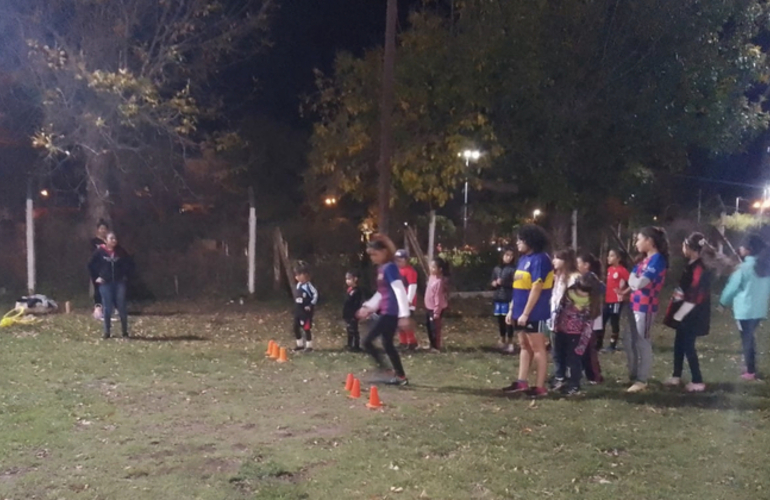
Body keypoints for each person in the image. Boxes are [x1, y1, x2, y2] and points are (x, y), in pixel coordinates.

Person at [503, 224, 554, 398]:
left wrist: (526, 313)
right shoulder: (523, 260)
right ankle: (522, 381)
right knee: (524, 345)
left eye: (521, 240)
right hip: (519, 311)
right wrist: (512, 310)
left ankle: (540, 387)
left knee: (538, 347)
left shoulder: (541, 259)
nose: (517, 243)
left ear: (530, 240)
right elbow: (518, 288)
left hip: (535, 312)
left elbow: (536, 287)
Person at [619, 227, 669, 393]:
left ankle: (642, 379)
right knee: (628, 339)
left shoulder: (657, 260)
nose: (636, 243)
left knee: (642, 341)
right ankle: (634, 374)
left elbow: (640, 283)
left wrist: (634, 282)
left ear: (649, 240)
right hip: (634, 304)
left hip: (645, 307)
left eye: (639, 239)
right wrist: (634, 282)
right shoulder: (643, 261)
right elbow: (632, 279)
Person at [357, 235, 411, 386]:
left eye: (375, 254)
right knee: (387, 344)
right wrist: (368, 307)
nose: (372, 258)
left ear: (384, 252)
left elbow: (399, 290)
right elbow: (382, 293)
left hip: (390, 312)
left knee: (367, 341)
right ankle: (400, 377)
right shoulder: (382, 269)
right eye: (370, 255)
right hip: (386, 311)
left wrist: (404, 315)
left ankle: (386, 371)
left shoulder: (390, 268)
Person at [662, 233, 714, 392]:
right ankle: (676, 375)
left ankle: (697, 380)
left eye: (685, 246)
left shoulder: (698, 268)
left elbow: (695, 295)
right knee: (679, 344)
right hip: (685, 312)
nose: (682, 248)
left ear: (691, 248)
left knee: (688, 346)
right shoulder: (691, 265)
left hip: (692, 314)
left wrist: (680, 314)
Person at [720, 233, 770, 381]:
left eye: (742, 247)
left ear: (749, 249)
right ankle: (749, 366)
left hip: (744, 311)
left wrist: (723, 302)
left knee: (747, 340)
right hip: (758, 310)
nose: (739, 249)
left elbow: (732, 287)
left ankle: (750, 370)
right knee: (750, 338)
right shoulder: (764, 267)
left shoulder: (744, 268)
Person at [552, 274, 602, 395]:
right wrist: (555, 326)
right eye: (579, 290)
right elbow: (559, 311)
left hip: (577, 335)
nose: (580, 294)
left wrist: (583, 343)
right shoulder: (568, 295)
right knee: (558, 355)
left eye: (584, 292)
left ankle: (574, 385)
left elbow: (589, 325)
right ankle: (560, 378)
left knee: (574, 360)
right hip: (560, 330)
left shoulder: (592, 304)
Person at [88, 232, 133, 339]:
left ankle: (125, 332)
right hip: (105, 284)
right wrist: (97, 277)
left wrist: (125, 275)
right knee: (107, 307)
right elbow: (91, 265)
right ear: (106, 240)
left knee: (121, 307)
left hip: (119, 283)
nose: (114, 240)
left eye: (115, 238)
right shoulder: (99, 252)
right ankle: (107, 332)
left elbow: (128, 263)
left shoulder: (120, 251)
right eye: (111, 238)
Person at [549, 248, 580, 386]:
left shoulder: (574, 278)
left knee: (571, 353)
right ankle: (559, 376)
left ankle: (573, 381)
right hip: (555, 319)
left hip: (570, 321)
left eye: (557, 258)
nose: (554, 261)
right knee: (557, 351)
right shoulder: (558, 277)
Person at [577, 252, 605, 384]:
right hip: (587, 318)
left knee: (589, 349)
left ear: (586, 265)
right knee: (583, 347)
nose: (577, 266)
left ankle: (595, 376)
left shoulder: (590, 279)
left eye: (579, 263)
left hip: (591, 319)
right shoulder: (585, 277)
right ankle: (588, 374)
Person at [604, 249, 630, 352]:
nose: (608, 258)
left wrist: (623, 292)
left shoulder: (622, 270)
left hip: (616, 300)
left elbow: (632, 283)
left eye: (611, 256)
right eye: (608, 255)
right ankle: (599, 343)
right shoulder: (609, 269)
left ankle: (612, 345)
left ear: (618, 258)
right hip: (607, 300)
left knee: (614, 322)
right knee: (603, 320)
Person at [491, 247, 517, 352]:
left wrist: (505, 283)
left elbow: (515, 284)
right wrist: (493, 283)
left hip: (508, 297)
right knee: (500, 319)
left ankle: (510, 341)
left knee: (509, 321)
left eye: (511, 256)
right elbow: (492, 281)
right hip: (498, 297)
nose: (508, 258)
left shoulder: (513, 269)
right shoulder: (497, 268)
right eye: (507, 255)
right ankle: (502, 338)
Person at [395, 249, 419, 350]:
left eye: (400, 260)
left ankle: (412, 342)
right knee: (400, 323)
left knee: (406, 323)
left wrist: (409, 300)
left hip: (407, 302)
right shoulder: (397, 271)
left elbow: (412, 286)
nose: (398, 262)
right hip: (399, 300)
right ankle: (403, 341)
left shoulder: (410, 272)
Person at [424, 257, 449, 352]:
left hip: (435, 309)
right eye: (430, 266)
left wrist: (436, 312)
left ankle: (436, 347)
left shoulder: (439, 282)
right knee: (429, 327)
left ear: (440, 270)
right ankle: (431, 345)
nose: (431, 269)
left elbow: (437, 298)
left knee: (435, 328)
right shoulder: (431, 277)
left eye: (433, 267)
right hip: (429, 307)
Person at [293, 263, 318, 352]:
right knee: (295, 327)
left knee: (306, 328)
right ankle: (299, 344)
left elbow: (315, 295)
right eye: (296, 275)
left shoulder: (309, 286)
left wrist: (311, 305)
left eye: (299, 275)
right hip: (298, 310)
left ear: (305, 275)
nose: (297, 277)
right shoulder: (298, 285)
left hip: (306, 311)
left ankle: (309, 346)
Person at [90, 219, 110, 320]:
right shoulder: (94, 242)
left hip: (107, 269)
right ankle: (98, 309)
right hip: (96, 269)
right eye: (101, 228)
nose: (103, 231)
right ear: (98, 230)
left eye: (105, 229)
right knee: (98, 288)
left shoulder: (109, 241)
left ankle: (108, 308)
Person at [342, 270, 363, 352]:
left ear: (355, 279)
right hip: (347, 313)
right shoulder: (349, 290)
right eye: (346, 279)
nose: (347, 281)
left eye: (349, 279)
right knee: (349, 329)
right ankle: (349, 344)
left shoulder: (357, 291)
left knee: (354, 330)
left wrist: (355, 313)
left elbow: (357, 303)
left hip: (353, 313)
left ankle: (356, 346)